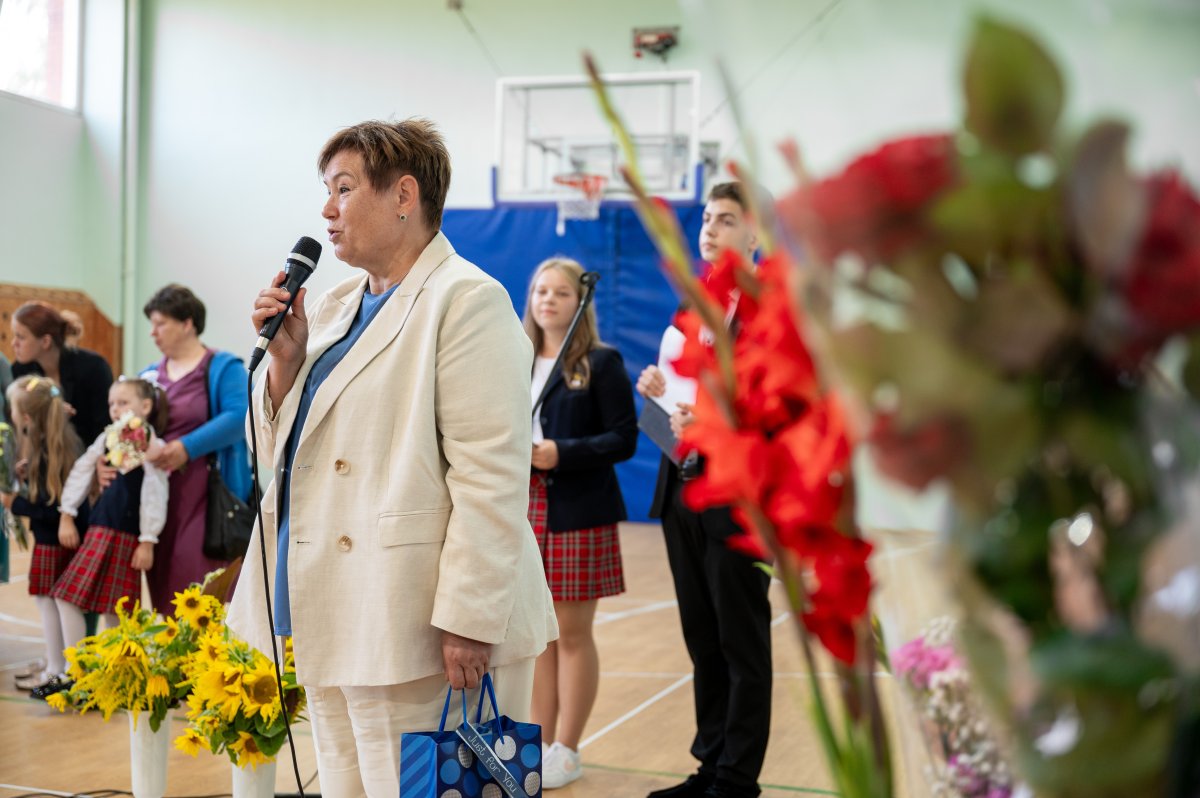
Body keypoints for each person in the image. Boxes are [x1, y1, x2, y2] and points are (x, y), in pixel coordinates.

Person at [226, 118, 557, 795]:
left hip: (418, 625)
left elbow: (491, 477)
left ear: (404, 195)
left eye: (344, 189)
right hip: (329, 603)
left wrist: (469, 618)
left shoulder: (466, 300)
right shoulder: (335, 305)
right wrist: (285, 363)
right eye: (326, 191)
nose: (327, 210)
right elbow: (282, 450)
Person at [636, 182, 773, 798]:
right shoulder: (693, 304)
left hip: (737, 497)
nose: (710, 229)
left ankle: (737, 780)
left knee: (741, 642)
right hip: (681, 485)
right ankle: (710, 766)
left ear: (756, 233)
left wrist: (714, 422)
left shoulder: (768, 310)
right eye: (707, 218)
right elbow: (684, 394)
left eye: (726, 219)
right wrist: (658, 391)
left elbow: (777, 408)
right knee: (703, 637)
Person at [522, 257, 638, 789]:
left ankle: (566, 748)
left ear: (580, 302)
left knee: (570, 634)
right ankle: (539, 745)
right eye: (541, 291)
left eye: (561, 292)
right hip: (523, 509)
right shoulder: (515, 357)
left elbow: (623, 438)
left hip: (576, 511)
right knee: (537, 637)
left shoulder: (600, 362)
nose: (548, 300)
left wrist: (560, 453)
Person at [134, 284, 252, 613]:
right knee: (163, 592)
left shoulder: (222, 366)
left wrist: (186, 447)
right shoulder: (147, 375)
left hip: (206, 495)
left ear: (187, 323)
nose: (153, 332)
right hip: (156, 498)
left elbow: (240, 415)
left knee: (201, 588)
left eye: (160, 323)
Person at [51, 378, 170, 697]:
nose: (115, 409)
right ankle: (77, 672)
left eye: (123, 402)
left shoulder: (149, 442)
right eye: (112, 404)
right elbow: (82, 469)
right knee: (68, 596)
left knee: (116, 611)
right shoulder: (108, 436)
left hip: (126, 534)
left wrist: (148, 539)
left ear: (145, 406)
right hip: (99, 530)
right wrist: (67, 513)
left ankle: (110, 679)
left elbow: (155, 491)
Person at [0, 376, 87, 696]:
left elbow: (53, 508)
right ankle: (58, 666)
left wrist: (14, 503)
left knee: (53, 602)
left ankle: (61, 670)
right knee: (49, 601)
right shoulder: (55, 444)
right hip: (52, 539)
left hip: (55, 541)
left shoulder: (53, 452)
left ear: (25, 417)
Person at [10, 302, 113, 444]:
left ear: (45, 342)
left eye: (21, 337)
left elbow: (104, 428)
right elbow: (21, 426)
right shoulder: (21, 370)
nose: (13, 343)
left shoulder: (93, 368)